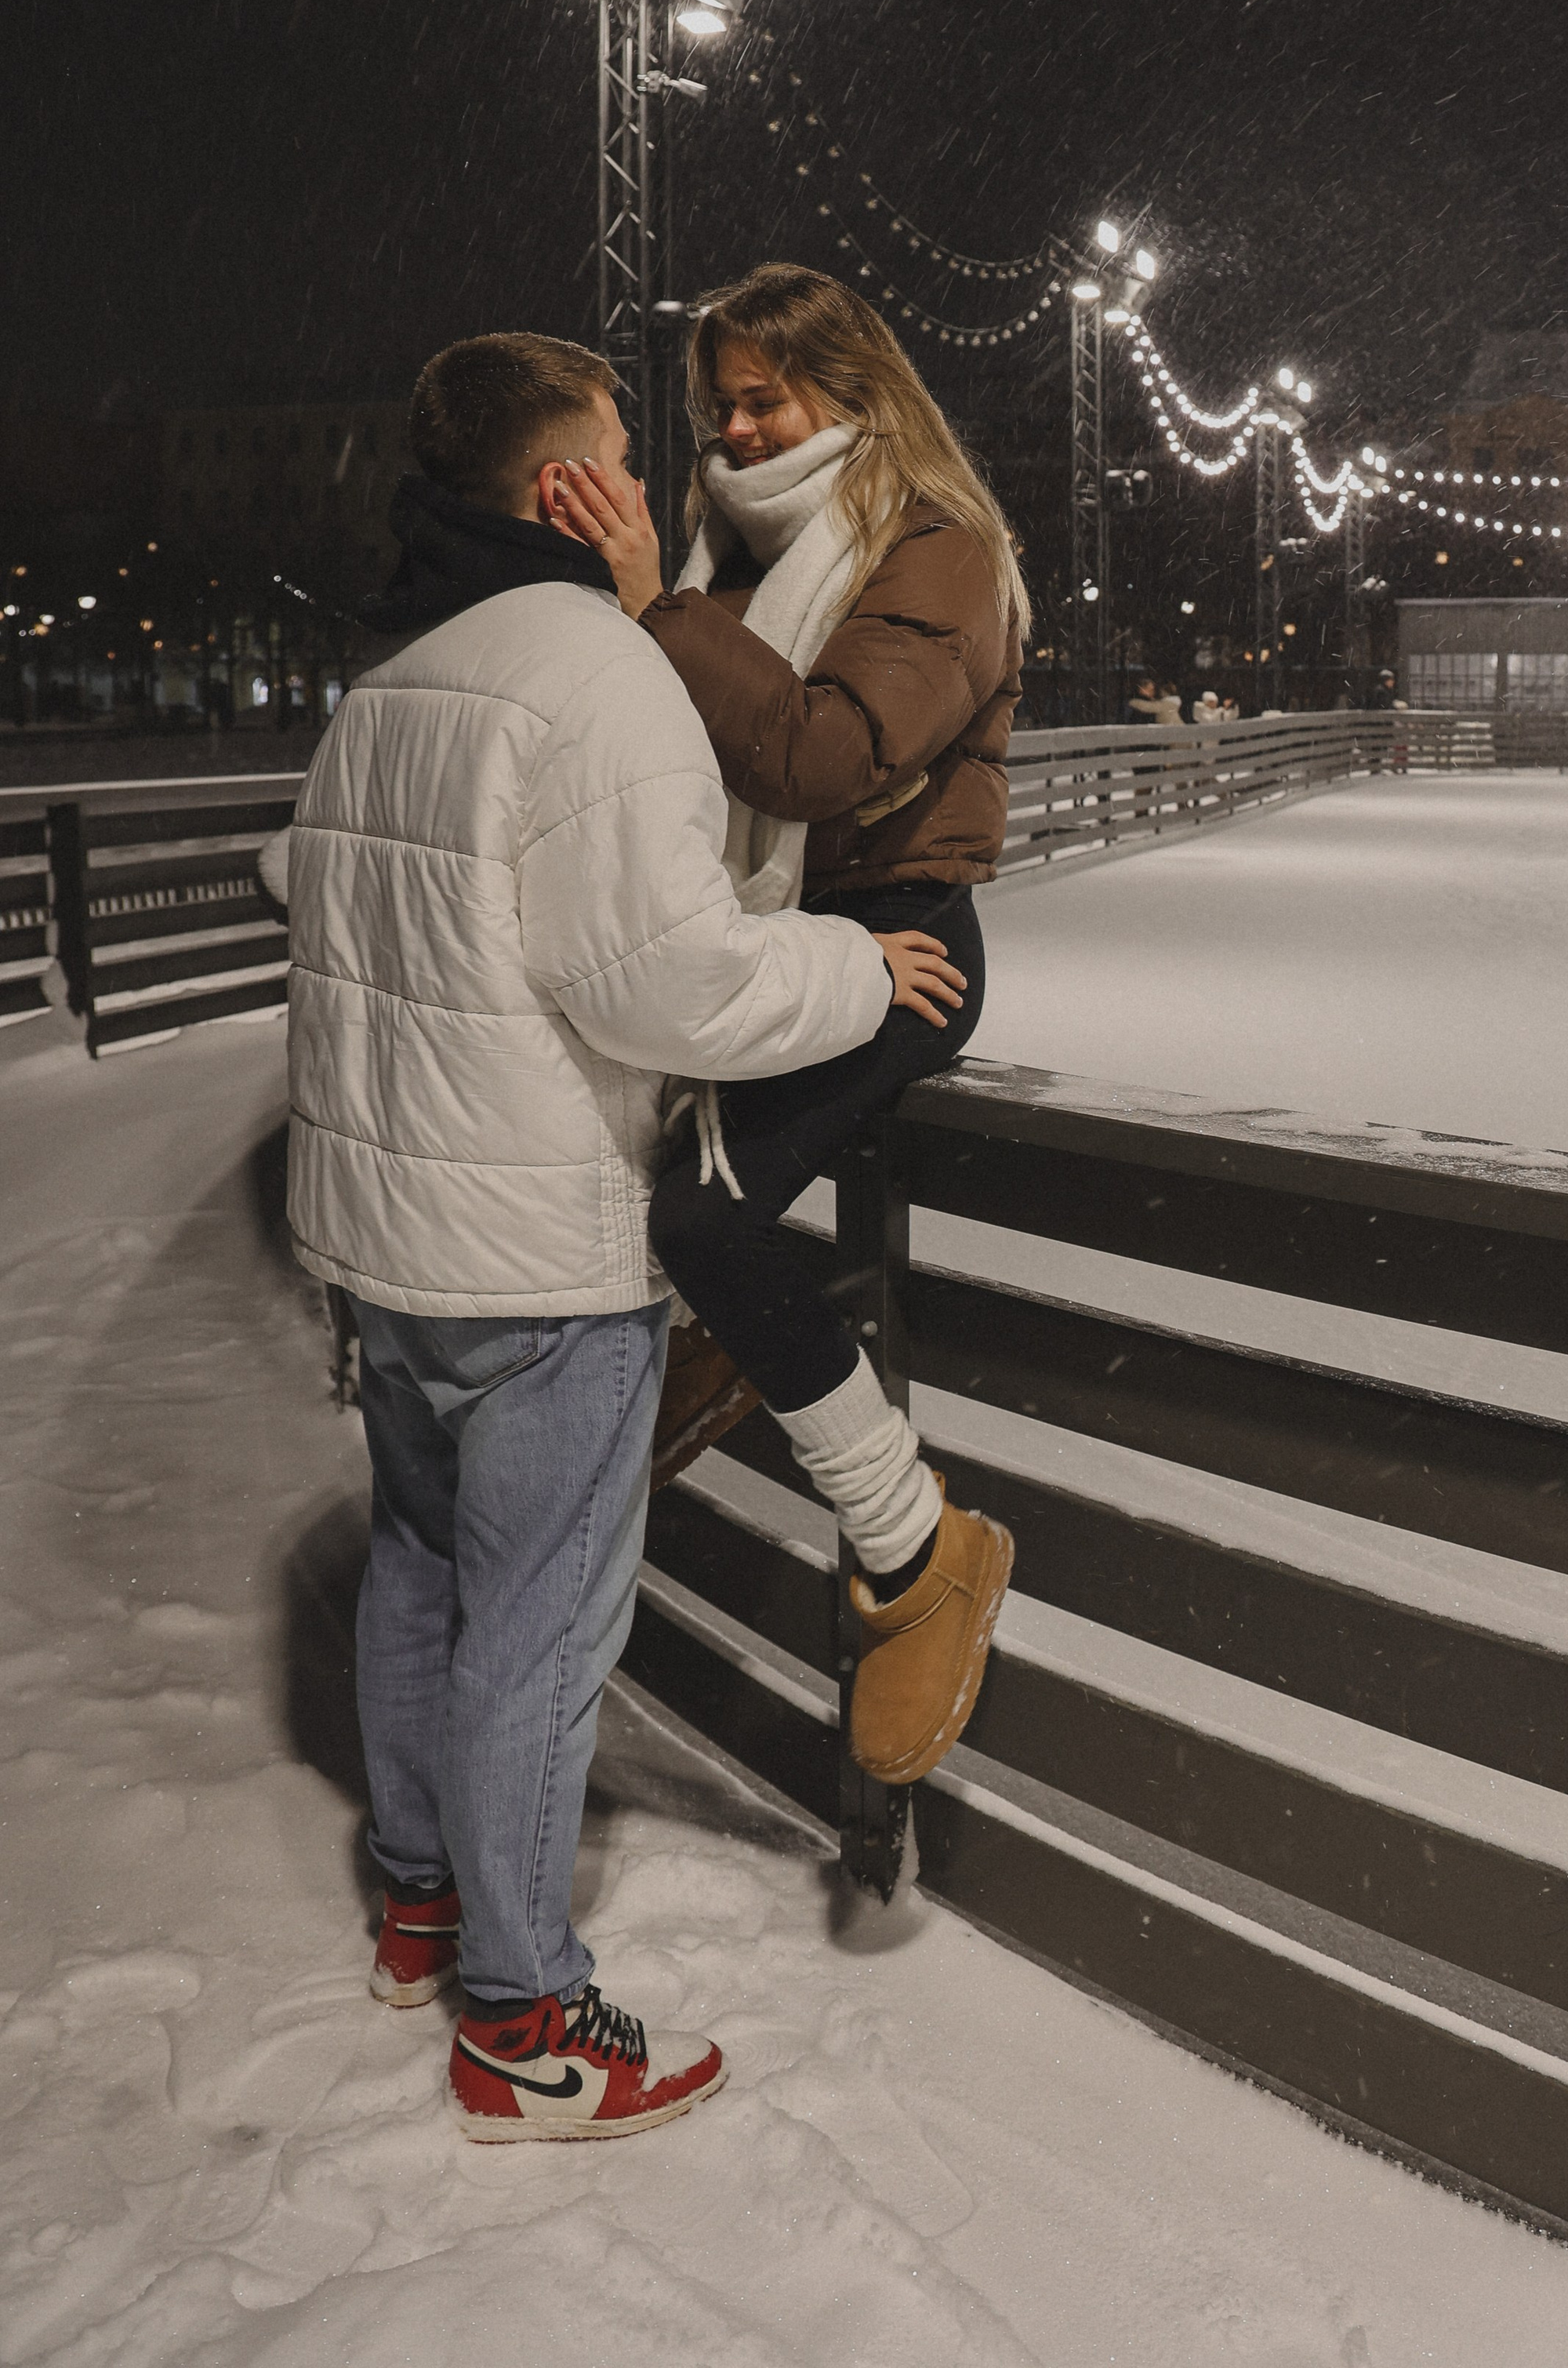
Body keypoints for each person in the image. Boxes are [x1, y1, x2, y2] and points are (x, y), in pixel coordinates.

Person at [286, 332, 967, 2143]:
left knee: (422, 1576)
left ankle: (423, 1894)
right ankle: (520, 2019)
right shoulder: (592, 677)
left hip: (386, 1241)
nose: (657, 484)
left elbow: (325, 907)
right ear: (566, 489)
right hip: (532, 1258)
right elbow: (663, 984)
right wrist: (851, 966)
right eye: (620, 455)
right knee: (536, 1628)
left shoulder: (396, 684)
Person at [552, 265, 1021, 1788]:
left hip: (897, 947)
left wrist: (653, 609)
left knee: (700, 1213)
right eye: (720, 404)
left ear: (857, 391)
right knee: (636, 1191)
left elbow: (820, 755)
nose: (739, 427)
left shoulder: (937, 550)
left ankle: (917, 1551)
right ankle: (723, 1343)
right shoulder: (725, 560)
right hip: (770, 941)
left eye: (768, 395)